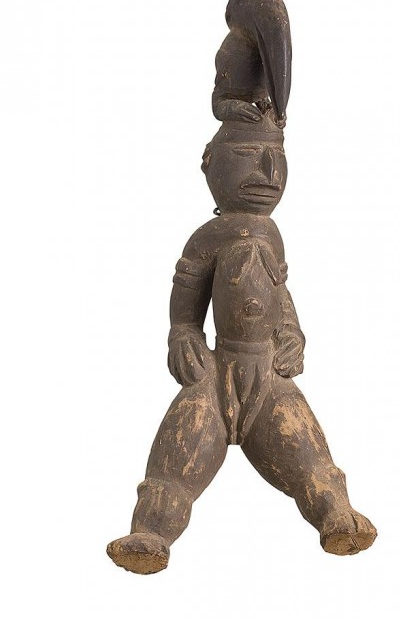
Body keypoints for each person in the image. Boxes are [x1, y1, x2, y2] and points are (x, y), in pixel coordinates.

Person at [107, 113, 377, 574]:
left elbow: (280, 291)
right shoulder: (209, 236)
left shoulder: (272, 233)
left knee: (310, 456)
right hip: (215, 379)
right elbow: (187, 296)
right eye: (250, 155)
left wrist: (291, 333)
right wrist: (183, 334)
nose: (268, 174)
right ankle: (151, 533)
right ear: (211, 164)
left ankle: (336, 517)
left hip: (269, 378)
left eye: (277, 158)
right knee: (176, 459)